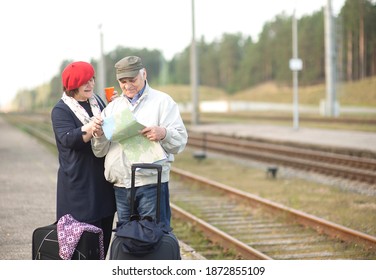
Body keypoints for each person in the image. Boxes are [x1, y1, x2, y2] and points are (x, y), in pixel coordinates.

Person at [91, 55, 188, 228]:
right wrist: (99, 135)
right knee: (127, 240)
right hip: (121, 185)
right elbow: (100, 151)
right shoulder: (112, 108)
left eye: (132, 80)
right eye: (123, 81)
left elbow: (180, 141)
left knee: (154, 239)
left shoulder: (163, 102)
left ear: (144, 74)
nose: (127, 86)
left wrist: (163, 133)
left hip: (151, 184)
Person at [51, 61, 116, 257]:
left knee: (103, 241)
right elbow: (68, 139)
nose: (90, 85)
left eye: (91, 79)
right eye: (84, 82)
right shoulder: (61, 110)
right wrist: (90, 128)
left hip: (103, 185)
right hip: (78, 188)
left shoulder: (97, 102)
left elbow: (109, 131)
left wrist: (115, 112)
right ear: (72, 85)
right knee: (83, 246)